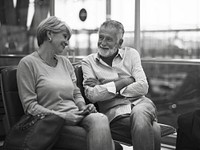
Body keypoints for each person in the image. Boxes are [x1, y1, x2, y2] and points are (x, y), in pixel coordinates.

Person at [17, 16, 115, 150]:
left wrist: (83, 107)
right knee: (108, 143)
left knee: (100, 118)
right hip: (52, 123)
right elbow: (30, 107)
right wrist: (63, 116)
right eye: (64, 36)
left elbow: (76, 93)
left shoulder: (65, 63)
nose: (67, 43)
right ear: (49, 34)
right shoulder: (28, 64)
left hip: (77, 115)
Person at [82, 20, 161, 150]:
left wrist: (107, 86)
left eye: (109, 39)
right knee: (154, 129)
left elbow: (143, 86)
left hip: (142, 103)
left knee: (140, 113)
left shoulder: (131, 54)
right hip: (115, 113)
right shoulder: (88, 62)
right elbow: (92, 95)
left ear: (120, 43)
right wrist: (126, 81)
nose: (102, 43)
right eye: (101, 37)